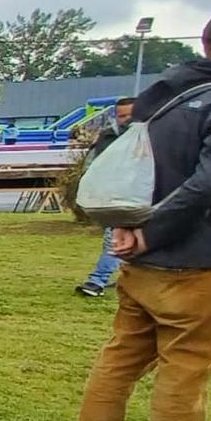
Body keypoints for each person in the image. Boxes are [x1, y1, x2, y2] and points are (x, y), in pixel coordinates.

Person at [71, 5, 211, 421]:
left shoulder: (160, 101)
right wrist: (152, 229)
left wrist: (133, 229)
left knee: (121, 356)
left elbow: (133, 177)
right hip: (203, 256)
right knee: (187, 366)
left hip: (142, 253)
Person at [75, 97, 135, 298]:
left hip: (140, 199)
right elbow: (92, 166)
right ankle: (102, 279)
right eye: (121, 115)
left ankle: (97, 281)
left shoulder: (154, 137)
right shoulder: (108, 137)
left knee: (120, 241)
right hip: (114, 198)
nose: (125, 120)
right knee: (115, 240)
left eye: (130, 115)